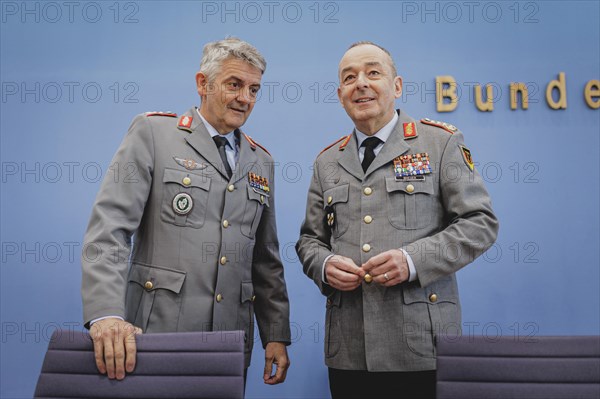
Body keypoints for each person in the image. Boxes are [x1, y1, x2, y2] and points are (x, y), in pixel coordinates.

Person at [81, 37, 291, 385]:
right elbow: (110, 229)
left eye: (254, 89)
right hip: (154, 333)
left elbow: (265, 260)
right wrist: (105, 314)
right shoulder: (153, 133)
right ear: (202, 84)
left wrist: (275, 333)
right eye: (234, 84)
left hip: (230, 342)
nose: (245, 98)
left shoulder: (261, 161)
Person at [296, 41, 499, 399]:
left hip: (421, 347)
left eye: (373, 72)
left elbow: (479, 223)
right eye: (349, 77)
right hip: (349, 350)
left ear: (398, 86)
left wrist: (412, 261)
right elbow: (309, 242)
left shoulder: (440, 144)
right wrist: (324, 265)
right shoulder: (326, 162)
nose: (361, 83)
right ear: (340, 93)